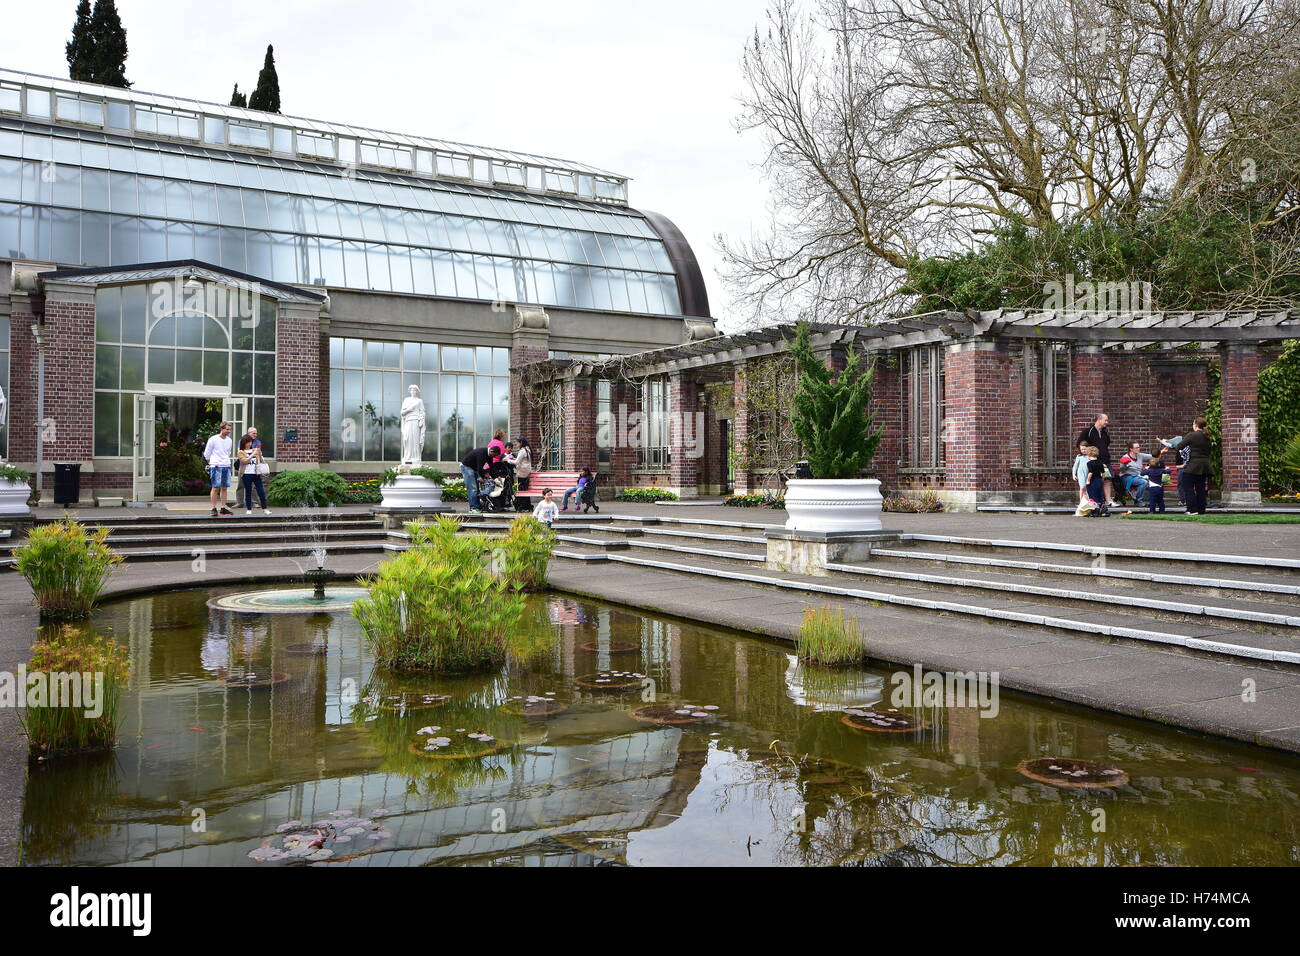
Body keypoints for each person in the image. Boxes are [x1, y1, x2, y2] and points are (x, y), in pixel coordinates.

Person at [1159, 417, 1212, 514]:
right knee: (1200, 488)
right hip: (1205, 465)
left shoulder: (1192, 435)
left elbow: (1179, 446)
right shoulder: (1207, 436)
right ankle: (1201, 510)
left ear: (1195, 425)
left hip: (1193, 465)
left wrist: (1169, 443)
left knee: (1188, 486)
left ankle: (1192, 509)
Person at [1077, 413, 1117, 506]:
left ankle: (1108, 500)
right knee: (1094, 480)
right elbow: (1080, 443)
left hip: (1105, 459)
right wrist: (1089, 454)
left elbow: (1107, 443)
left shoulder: (1105, 432)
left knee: (1107, 479)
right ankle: (1090, 500)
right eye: (1105, 420)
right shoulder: (1088, 431)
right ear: (1099, 419)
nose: (1107, 422)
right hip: (1094, 460)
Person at [203, 421, 235, 517]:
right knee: (215, 487)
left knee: (224, 487)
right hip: (216, 465)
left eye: (230, 429)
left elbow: (228, 452)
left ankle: (223, 507)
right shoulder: (213, 439)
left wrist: (225, 461)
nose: (229, 431)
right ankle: (213, 508)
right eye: (227, 429)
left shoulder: (229, 440)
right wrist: (211, 462)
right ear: (222, 429)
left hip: (226, 465)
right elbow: (207, 453)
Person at [238, 428, 272, 516]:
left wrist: (259, 455)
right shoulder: (241, 452)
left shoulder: (254, 450)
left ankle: (265, 508)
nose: (250, 443)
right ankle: (249, 509)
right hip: (246, 474)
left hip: (256, 473)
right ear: (244, 443)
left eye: (250, 442)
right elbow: (244, 461)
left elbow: (259, 460)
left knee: (261, 491)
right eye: (248, 442)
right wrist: (252, 455)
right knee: (248, 491)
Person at [459, 444, 496, 514]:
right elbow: (479, 467)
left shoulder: (489, 455)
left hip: (473, 468)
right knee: (472, 488)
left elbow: (492, 467)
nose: (494, 457)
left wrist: (496, 477)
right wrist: (480, 476)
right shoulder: (482, 452)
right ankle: (473, 508)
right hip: (466, 467)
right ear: (492, 451)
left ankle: (478, 506)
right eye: (494, 455)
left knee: (477, 488)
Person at [1118, 441, 1153, 507]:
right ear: (1131, 449)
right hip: (1128, 477)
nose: (1138, 449)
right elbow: (1122, 471)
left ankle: (1153, 501)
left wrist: (1161, 451)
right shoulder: (1125, 457)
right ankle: (1138, 501)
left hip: (1139, 476)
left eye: (1139, 447)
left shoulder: (1140, 455)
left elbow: (1152, 456)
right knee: (1143, 482)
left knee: (1152, 482)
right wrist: (1124, 465)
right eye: (1136, 448)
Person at [1084, 445, 1109, 517]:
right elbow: (1103, 473)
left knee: (1092, 495)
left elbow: (1090, 473)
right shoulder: (1100, 462)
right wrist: (1102, 480)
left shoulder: (1089, 463)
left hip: (1093, 481)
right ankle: (1102, 508)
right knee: (1099, 494)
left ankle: (1095, 510)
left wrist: (1088, 481)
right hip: (1099, 480)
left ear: (1089, 454)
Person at [1071, 440, 1091, 511]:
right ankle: (1081, 502)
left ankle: (1087, 501)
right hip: (1081, 474)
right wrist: (1074, 474)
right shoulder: (1079, 457)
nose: (1083, 451)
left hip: (1088, 473)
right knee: (1082, 487)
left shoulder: (1090, 456)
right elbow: (1075, 466)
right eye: (1082, 449)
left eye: (1084, 449)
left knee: (1087, 488)